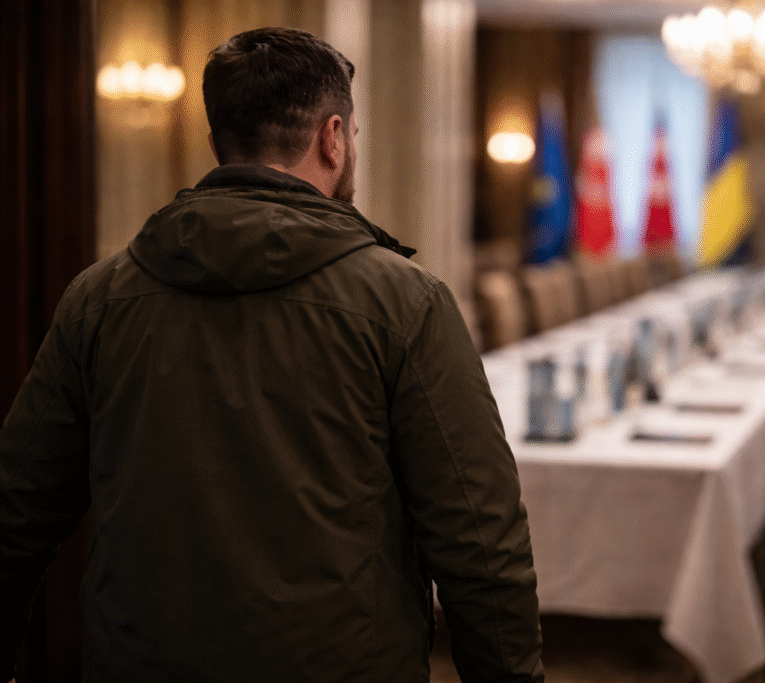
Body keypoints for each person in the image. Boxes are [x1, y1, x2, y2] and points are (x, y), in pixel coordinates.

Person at [0, 27, 543, 682]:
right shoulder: (406, 304)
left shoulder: (97, 298)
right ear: (333, 137)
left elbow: (16, 514)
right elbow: (479, 544)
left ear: (215, 146)